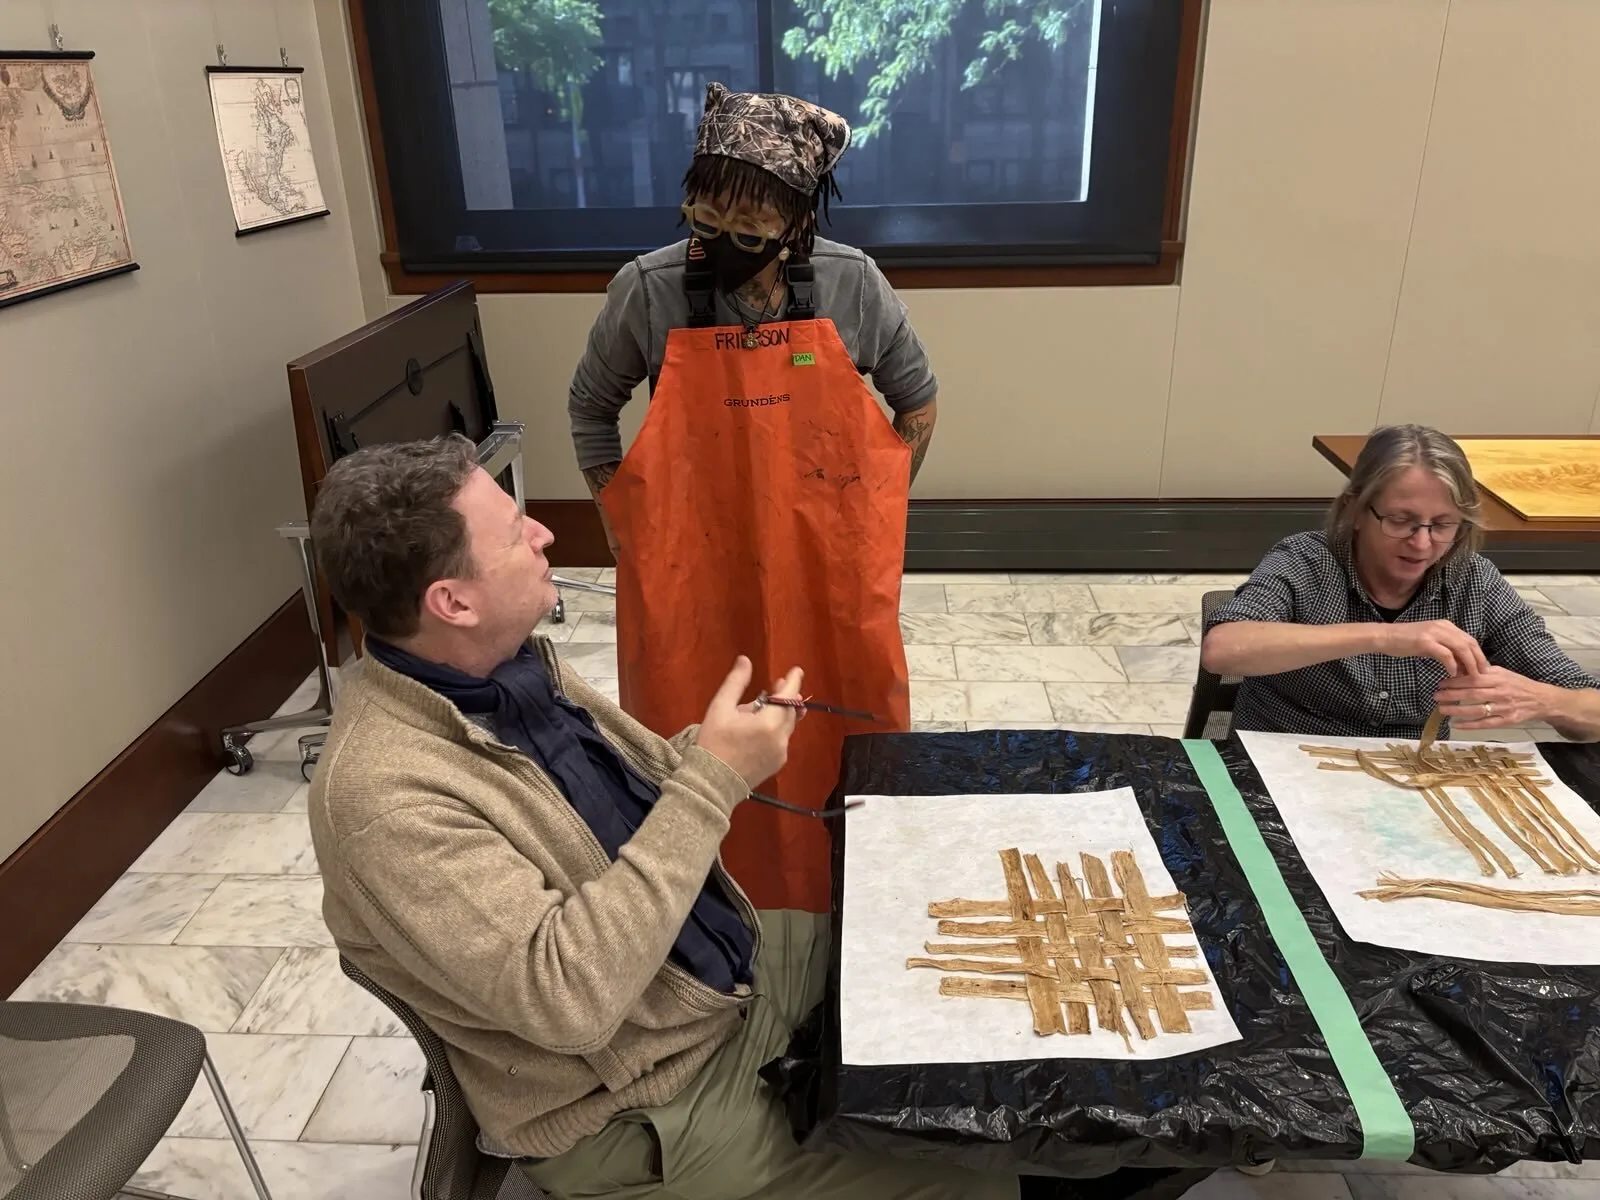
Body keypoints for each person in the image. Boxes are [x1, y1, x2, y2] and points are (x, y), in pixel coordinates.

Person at [306, 436, 1210, 1200]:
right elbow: (566, 999)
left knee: (971, 969)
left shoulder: (503, 666)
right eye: (514, 533)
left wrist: (710, 748)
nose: (544, 532)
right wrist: (712, 782)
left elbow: (626, 793)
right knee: (970, 1151)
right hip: (642, 1093)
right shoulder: (384, 796)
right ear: (451, 602)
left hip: (713, 975)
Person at [567, 82, 937, 915]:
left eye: (750, 232)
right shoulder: (649, 290)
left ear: (801, 219)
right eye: (703, 223)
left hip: (822, 559)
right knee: (688, 721)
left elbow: (918, 401)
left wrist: (870, 517)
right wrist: (626, 526)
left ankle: (851, 894)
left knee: (846, 720)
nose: (722, 245)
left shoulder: (852, 285)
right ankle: (703, 903)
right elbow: (591, 407)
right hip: (692, 561)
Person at [1202, 424, 1600, 740]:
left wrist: (1546, 701)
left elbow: (1590, 707)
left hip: (1410, 783)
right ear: (1355, 511)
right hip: (1282, 767)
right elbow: (1224, 649)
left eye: (1443, 525)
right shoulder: (1308, 560)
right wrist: (1385, 637)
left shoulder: (1474, 581)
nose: (1422, 543)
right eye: (1400, 521)